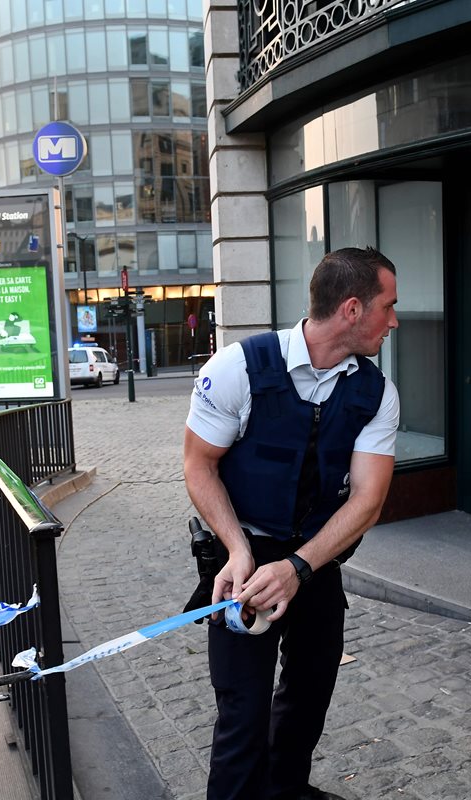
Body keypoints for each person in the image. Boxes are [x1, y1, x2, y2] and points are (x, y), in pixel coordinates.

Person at [183, 247, 401, 800]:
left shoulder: (377, 393)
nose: (395, 321)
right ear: (352, 309)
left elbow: (368, 501)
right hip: (241, 563)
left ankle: (285, 792)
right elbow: (198, 465)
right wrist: (237, 550)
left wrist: (299, 568)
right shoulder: (236, 369)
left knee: (309, 695)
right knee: (243, 713)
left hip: (316, 561)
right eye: (388, 306)